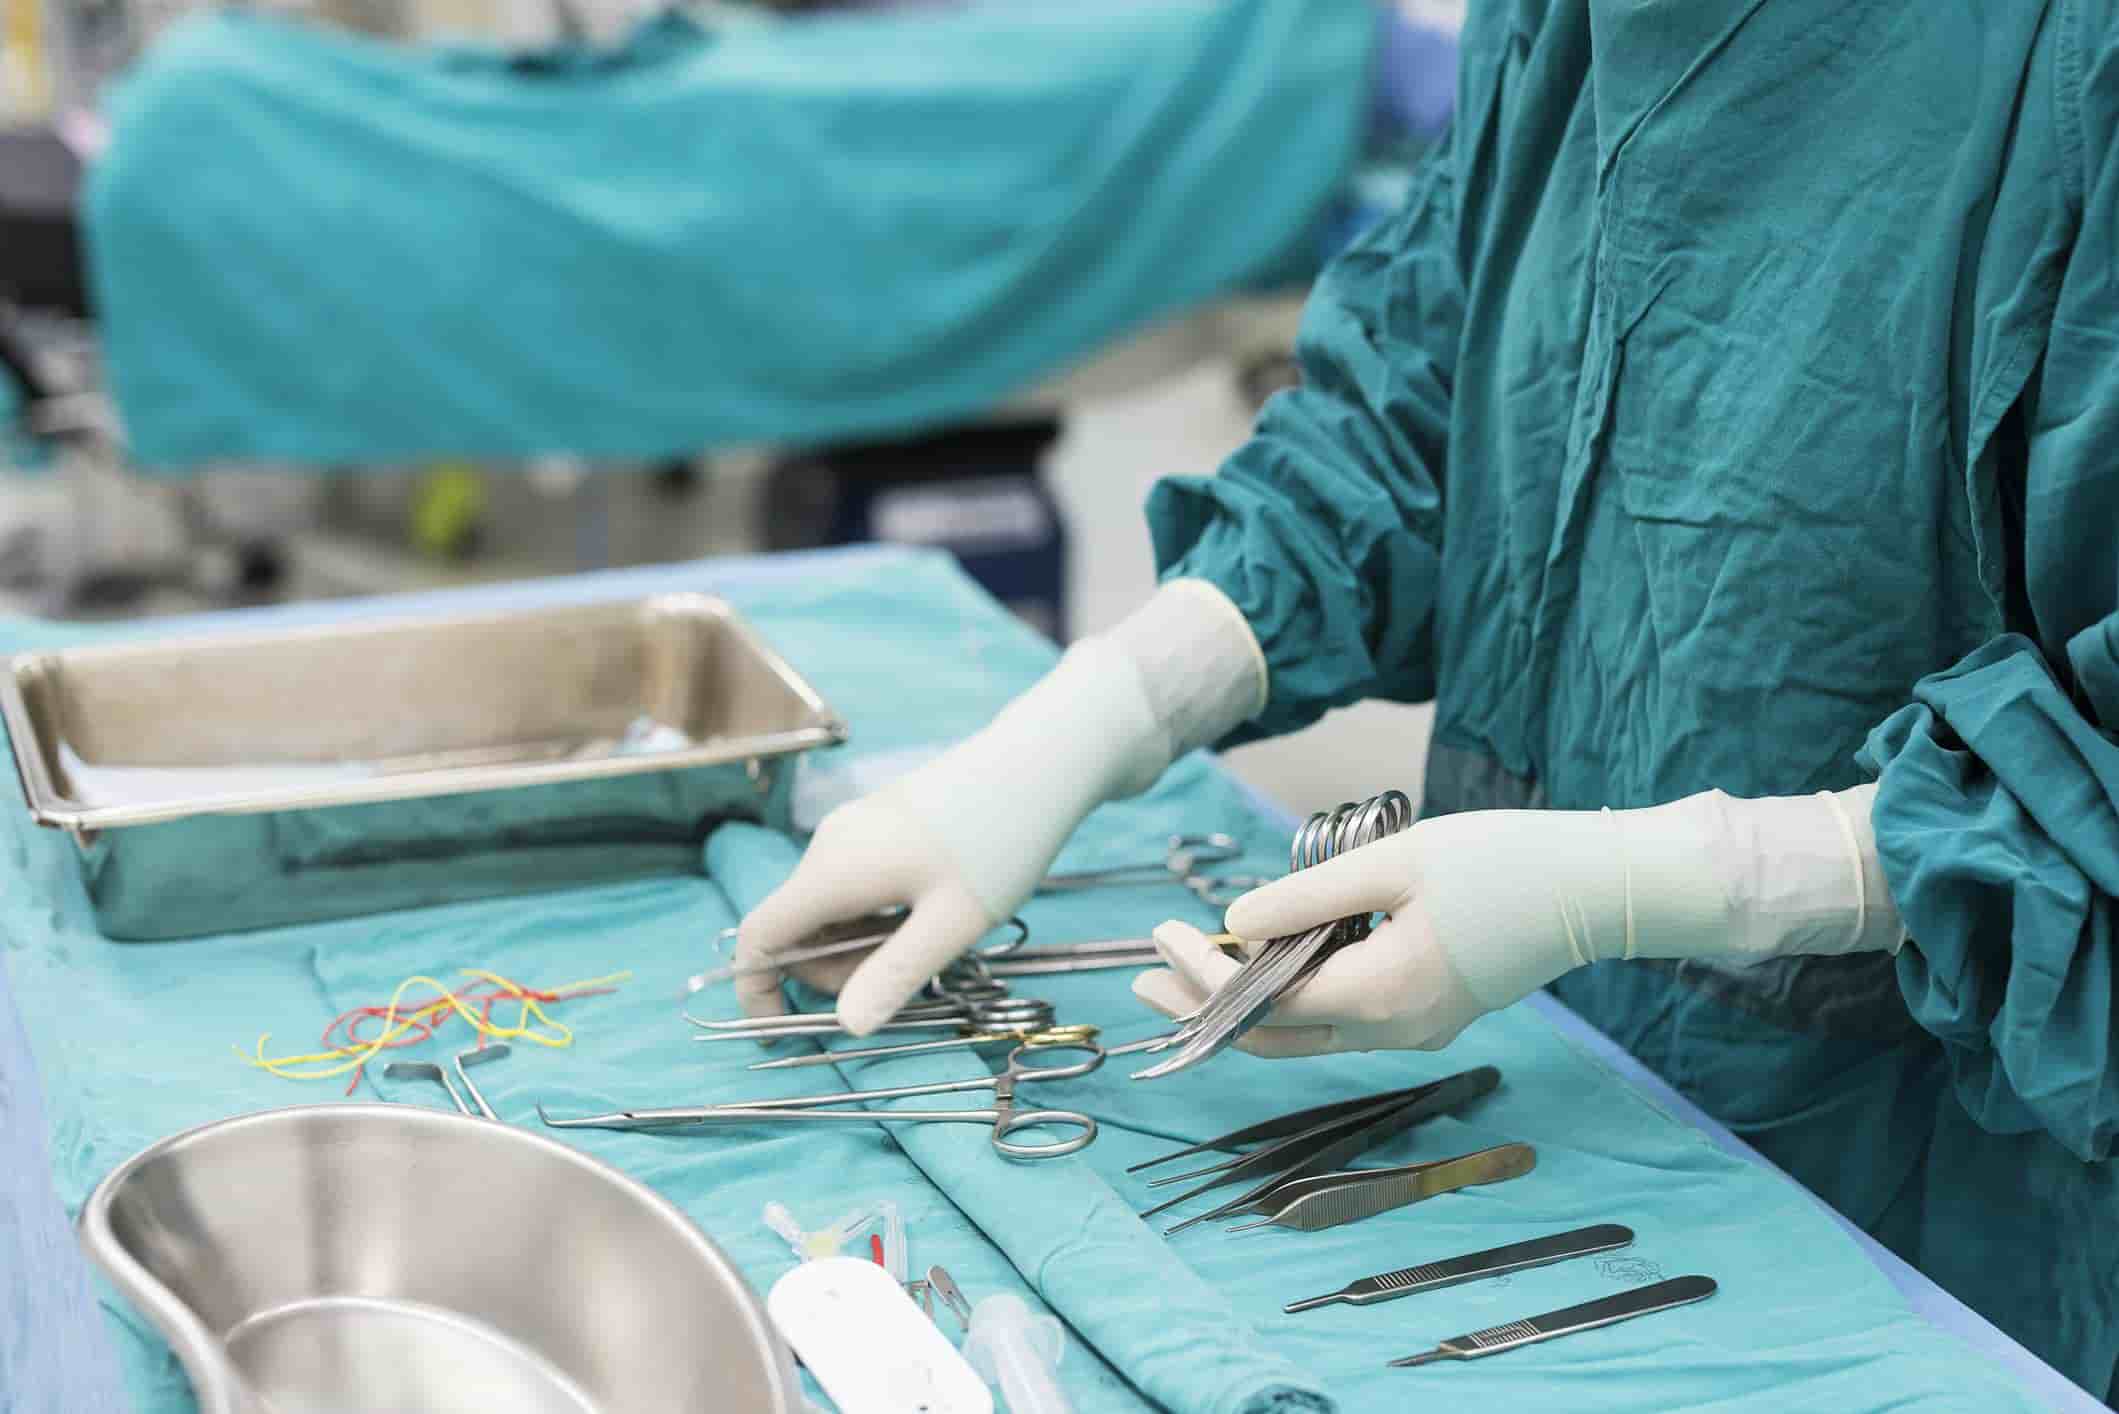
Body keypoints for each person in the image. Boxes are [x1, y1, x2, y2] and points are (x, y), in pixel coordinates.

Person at [740, 1, 2119, 1399]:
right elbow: (1416, 408)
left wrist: (1659, 878)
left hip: (1928, 1213)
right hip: (1540, 1083)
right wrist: (1098, 714)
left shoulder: (2071, 66)